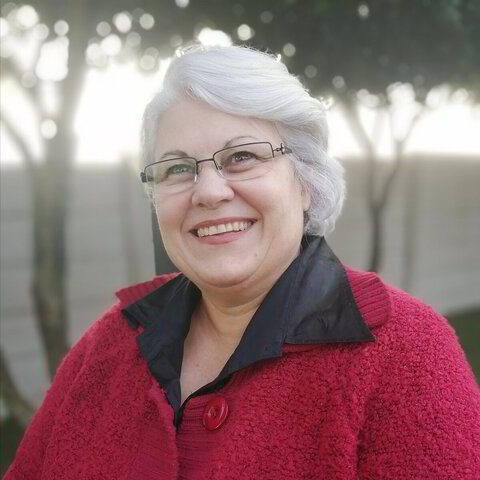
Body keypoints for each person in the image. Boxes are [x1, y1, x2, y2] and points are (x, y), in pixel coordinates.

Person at [6, 44, 479, 480]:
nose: (209, 191)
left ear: (305, 182)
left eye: (242, 157)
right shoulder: (108, 343)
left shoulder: (406, 353)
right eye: (177, 168)